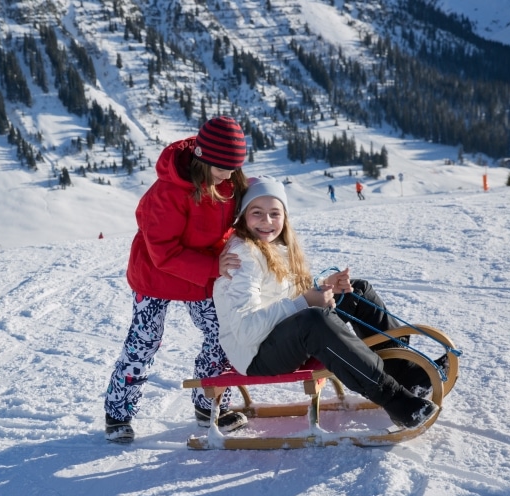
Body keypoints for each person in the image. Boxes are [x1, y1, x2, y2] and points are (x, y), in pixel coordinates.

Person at [213, 176, 438, 430]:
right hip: (255, 354)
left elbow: (283, 293)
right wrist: (306, 303)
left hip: (279, 336)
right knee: (314, 321)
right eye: (257, 213)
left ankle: (406, 375)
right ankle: (394, 399)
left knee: (356, 293)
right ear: (243, 216)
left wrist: (324, 286)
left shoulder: (276, 246)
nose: (267, 221)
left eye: (274, 214)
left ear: (284, 216)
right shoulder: (243, 257)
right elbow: (245, 329)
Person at [103, 117, 250, 443]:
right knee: (145, 340)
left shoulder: (228, 182)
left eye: (234, 167)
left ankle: (209, 404)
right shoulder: (168, 193)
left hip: (202, 272)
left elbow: (247, 202)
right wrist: (214, 265)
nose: (229, 174)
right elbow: (164, 253)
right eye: (223, 167)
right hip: (156, 275)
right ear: (203, 159)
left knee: (221, 331)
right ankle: (118, 412)